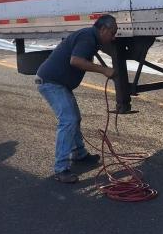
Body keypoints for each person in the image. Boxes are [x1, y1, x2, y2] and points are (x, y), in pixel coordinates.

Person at [36, 14, 118, 184]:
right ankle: (61, 169)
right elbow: (76, 61)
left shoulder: (92, 38)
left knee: (74, 119)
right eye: (113, 33)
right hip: (51, 83)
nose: (113, 37)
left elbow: (102, 49)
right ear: (103, 29)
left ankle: (79, 154)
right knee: (69, 120)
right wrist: (104, 70)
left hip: (59, 84)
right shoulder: (88, 37)